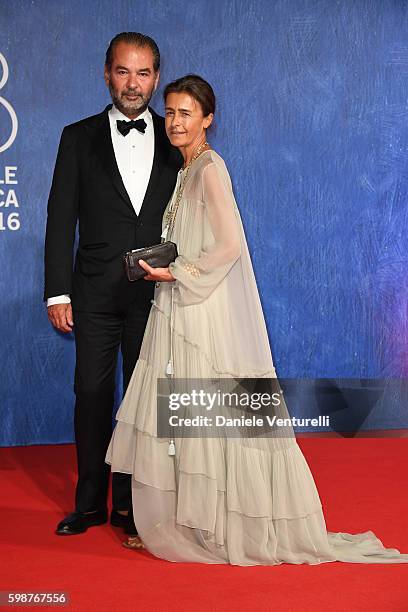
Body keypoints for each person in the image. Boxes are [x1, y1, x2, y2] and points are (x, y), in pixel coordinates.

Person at [106, 74, 408, 564]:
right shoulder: (187, 171)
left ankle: (223, 528)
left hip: (203, 315)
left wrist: (178, 271)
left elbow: (229, 246)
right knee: (189, 420)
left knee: (211, 417)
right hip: (182, 305)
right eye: (172, 112)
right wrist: (168, 268)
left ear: (208, 120)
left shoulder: (210, 170)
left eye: (187, 113)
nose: (176, 122)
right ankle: (196, 523)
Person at [44, 32, 182, 536]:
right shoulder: (76, 137)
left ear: (157, 78)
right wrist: (57, 291)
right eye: (123, 71)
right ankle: (89, 504)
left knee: (144, 403)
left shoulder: (175, 139)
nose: (133, 83)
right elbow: (61, 218)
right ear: (106, 74)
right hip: (94, 296)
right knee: (92, 394)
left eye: (143, 73)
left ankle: (130, 507)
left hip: (157, 294)